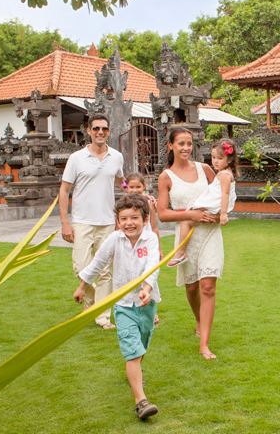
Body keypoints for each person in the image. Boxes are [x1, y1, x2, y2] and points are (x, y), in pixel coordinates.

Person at [73, 194, 161, 420]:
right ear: (117, 221)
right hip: (123, 305)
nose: (129, 223)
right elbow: (98, 263)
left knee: (140, 348)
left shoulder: (150, 239)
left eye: (134, 218)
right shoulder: (114, 239)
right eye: (124, 219)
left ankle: (134, 374)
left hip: (146, 303)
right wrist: (82, 287)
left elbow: (153, 264)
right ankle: (141, 401)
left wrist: (146, 288)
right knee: (132, 352)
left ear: (144, 219)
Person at [157, 127, 224, 360]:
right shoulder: (166, 177)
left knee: (207, 286)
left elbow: (222, 196)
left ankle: (204, 343)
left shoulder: (205, 169)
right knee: (193, 287)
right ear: (171, 146)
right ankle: (198, 318)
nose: (186, 148)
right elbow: (163, 213)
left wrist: (220, 215)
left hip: (210, 234)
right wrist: (190, 214)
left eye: (189, 143)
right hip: (185, 236)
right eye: (181, 144)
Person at [59, 114, 124, 329]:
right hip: (81, 221)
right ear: (88, 131)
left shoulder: (116, 157)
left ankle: (102, 316)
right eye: (96, 128)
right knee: (81, 267)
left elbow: (122, 182)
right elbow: (64, 190)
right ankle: (94, 303)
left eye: (104, 129)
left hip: (107, 221)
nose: (100, 133)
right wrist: (65, 222)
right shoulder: (76, 158)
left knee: (105, 271)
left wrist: (137, 196)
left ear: (109, 132)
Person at [168, 139, 238, 267]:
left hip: (214, 205)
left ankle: (181, 252)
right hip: (214, 204)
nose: (215, 161)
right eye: (213, 157)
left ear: (229, 160)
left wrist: (223, 214)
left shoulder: (224, 175)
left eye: (220, 158)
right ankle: (182, 252)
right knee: (188, 219)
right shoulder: (224, 173)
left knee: (186, 221)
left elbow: (225, 194)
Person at [124, 172, 162, 326]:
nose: (135, 190)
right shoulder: (123, 204)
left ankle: (152, 311)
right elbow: (118, 227)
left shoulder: (149, 203)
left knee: (149, 275)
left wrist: (158, 248)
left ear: (144, 187)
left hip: (146, 245)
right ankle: (131, 310)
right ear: (127, 188)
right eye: (131, 187)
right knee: (131, 277)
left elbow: (154, 227)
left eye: (138, 186)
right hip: (129, 246)